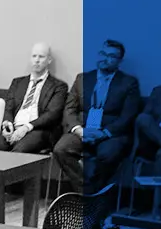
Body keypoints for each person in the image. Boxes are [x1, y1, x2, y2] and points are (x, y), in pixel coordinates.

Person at [54, 38, 142, 192]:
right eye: (102, 53)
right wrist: (78, 130)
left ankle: (92, 193)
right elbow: (69, 109)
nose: (105, 58)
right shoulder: (82, 78)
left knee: (108, 155)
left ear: (119, 61)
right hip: (82, 129)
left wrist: (103, 133)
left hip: (110, 133)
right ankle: (87, 190)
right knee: (61, 149)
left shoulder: (129, 83)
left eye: (111, 56)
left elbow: (127, 117)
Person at [0, 42, 69, 154]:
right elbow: (8, 108)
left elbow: (52, 114)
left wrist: (27, 127)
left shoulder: (58, 86)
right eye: (34, 56)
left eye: (41, 56)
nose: (37, 60)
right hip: (15, 127)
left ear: (49, 60)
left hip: (38, 130)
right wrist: (8, 124)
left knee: (17, 153)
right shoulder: (17, 82)